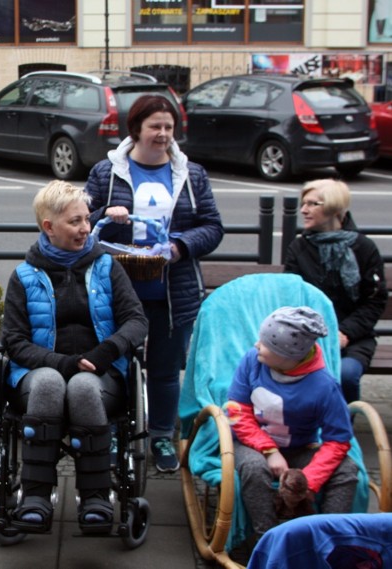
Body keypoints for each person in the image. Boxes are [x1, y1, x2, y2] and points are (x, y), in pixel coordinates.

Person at [84, 94, 224, 473]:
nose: (162, 134)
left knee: (164, 371)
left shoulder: (191, 175)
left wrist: (180, 246)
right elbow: (80, 219)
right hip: (117, 290)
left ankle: (162, 434)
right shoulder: (106, 172)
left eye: (168, 127)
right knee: (116, 366)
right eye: (155, 127)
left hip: (171, 293)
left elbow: (212, 227)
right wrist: (102, 213)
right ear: (136, 130)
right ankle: (115, 431)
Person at [2, 180, 148, 533]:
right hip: (39, 375)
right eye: (75, 222)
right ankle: (34, 495)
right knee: (52, 382)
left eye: (86, 219)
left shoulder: (107, 267)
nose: (86, 228)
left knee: (83, 386)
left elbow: (136, 320)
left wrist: (105, 352)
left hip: (101, 373)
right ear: (49, 227)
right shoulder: (23, 277)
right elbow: (14, 341)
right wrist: (60, 362)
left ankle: (96, 498)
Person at [226, 306, 358, 541]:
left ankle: (330, 539)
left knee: (347, 469)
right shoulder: (251, 361)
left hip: (299, 448)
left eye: (265, 344)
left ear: (288, 356)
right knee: (255, 468)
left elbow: (338, 441)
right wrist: (269, 451)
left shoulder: (324, 387)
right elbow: (237, 413)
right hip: (249, 444)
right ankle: (265, 539)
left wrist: (307, 483)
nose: (257, 345)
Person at [283, 179, 387, 404]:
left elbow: (374, 300)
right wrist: (316, 333)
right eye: (304, 203)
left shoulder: (364, 248)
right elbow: (292, 298)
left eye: (313, 204)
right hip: (309, 336)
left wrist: (346, 333)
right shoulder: (299, 247)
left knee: (347, 375)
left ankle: (342, 434)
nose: (304, 210)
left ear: (333, 208)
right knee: (298, 374)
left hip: (354, 338)